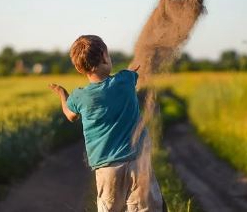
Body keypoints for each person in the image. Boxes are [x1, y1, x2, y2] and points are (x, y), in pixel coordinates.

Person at [49, 35, 165, 212]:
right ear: (104, 56)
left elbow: (70, 115)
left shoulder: (79, 97)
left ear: (79, 68)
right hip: (137, 161)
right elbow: (132, 74)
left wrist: (63, 94)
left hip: (106, 168)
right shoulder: (125, 79)